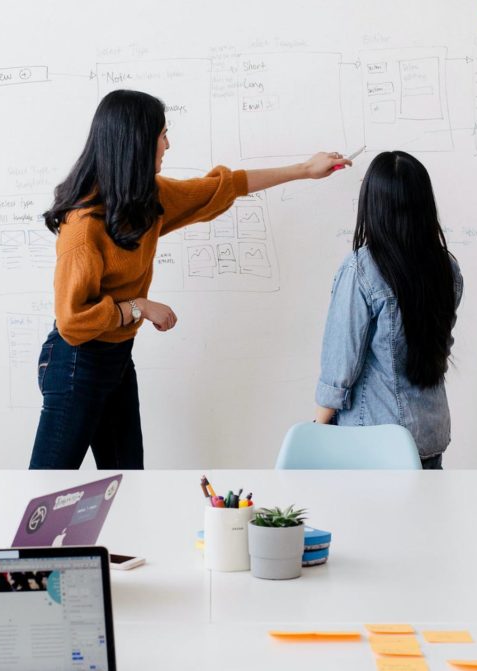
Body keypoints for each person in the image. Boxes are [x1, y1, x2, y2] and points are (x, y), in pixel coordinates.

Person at [29, 89, 350, 470]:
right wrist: (138, 307)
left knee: (128, 485)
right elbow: (71, 321)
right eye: (161, 134)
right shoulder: (82, 228)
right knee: (48, 490)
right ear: (136, 142)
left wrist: (304, 170)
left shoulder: (145, 200)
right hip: (75, 363)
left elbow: (222, 187)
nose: (168, 144)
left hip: (115, 359)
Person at [314, 150, 463, 469]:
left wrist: (316, 428)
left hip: (373, 441)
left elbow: (340, 366)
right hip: (429, 436)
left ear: (373, 203)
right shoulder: (445, 267)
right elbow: (439, 348)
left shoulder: (362, 269)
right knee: (422, 520)